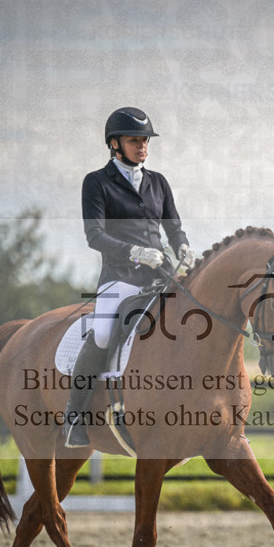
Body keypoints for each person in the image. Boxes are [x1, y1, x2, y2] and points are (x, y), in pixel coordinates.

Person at [62, 107, 194, 448]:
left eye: (145, 140)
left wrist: (184, 247)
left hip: (161, 277)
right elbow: (95, 235)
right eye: (135, 140)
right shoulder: (97, 182)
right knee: (104, 332)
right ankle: (74, 414)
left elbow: (173, 227)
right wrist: (135, 252)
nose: (143, 146)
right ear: (115, 144)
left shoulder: (158, 182)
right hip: (120, 277)